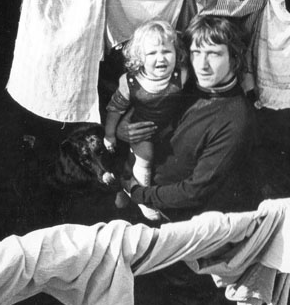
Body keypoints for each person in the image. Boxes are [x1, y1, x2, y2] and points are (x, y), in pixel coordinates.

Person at [117, 15, 256, 221]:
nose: (202, 65)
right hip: (139, 189)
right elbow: (144, 103)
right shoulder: (183, 83)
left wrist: (140, 194)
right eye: (196, 53)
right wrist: (123, 127)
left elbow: (195, 191)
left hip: (172, 217)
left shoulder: (236, 118)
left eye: (214, 54)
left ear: (235, 58)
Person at [102, 20, 187, 207]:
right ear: (140, 57)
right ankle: (143, 199)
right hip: (142, 129)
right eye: (152, 53)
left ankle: (125, 181)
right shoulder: (131, 82)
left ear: (176, 52)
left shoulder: (181, 75)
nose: (161, 58)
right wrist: (109, 134)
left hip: (169, 127)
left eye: (167, 51)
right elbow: (115, 108)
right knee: (145, 158)